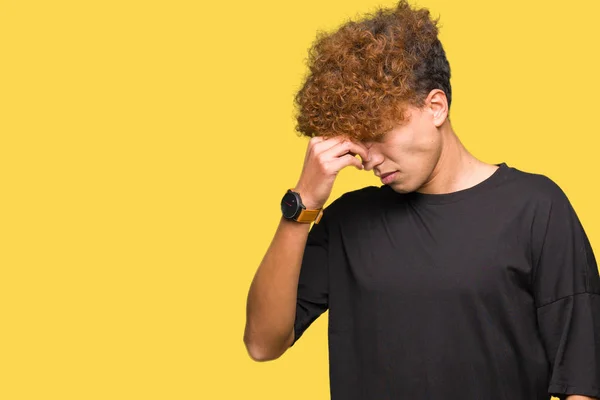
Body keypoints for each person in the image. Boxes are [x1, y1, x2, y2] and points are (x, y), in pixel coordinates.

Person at [243, 1, 600, 399]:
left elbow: (580, 377)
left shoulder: (536, 208)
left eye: (378, 135)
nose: (368, 159)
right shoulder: (348, 223)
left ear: (435, 107)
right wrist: (301, 204)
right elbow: (262, 343)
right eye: (357, 143)